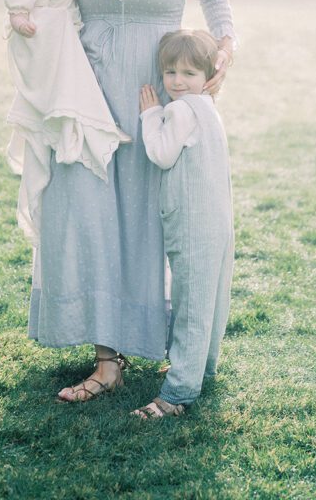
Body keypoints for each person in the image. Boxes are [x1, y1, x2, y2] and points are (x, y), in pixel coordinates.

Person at [27, 0, 237, 402]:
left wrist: (226, 44)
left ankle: (163, 338)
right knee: (89, 215)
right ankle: (106, 360)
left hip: (157, 100)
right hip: (88, 97)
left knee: (148, 219)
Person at [2, 0, 126, 245]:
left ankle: (75, 126)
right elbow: (16, 7)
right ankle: (55, 118)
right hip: (39, 42)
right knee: (51, 89)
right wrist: (22, 19)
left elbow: (69, 0)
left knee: (73, 86)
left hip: (66, 40)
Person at [133, 29, 234, 418]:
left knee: (191, 304)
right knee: (210, 296)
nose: (177, 81)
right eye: (170, 72)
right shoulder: (208, 108)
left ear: (207, 75)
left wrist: (149, 115)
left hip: (191, 221)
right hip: (217, 220)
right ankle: (201, 367)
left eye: (189, 73)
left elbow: (160, 153)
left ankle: (178, 393)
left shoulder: (179, 110)